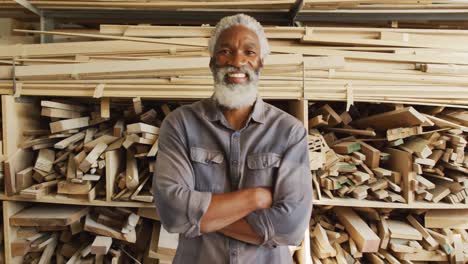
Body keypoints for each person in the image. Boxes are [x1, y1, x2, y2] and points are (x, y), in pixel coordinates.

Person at [153, 13, 313, 264]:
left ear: (261, 63)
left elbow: (290, 227)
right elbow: (173, 213)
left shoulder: (289, 132)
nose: (237, 61)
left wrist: (201, 219)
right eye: (225, 51)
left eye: (249, 52)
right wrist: (256, 198)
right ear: (212, 62)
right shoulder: (180, 124)